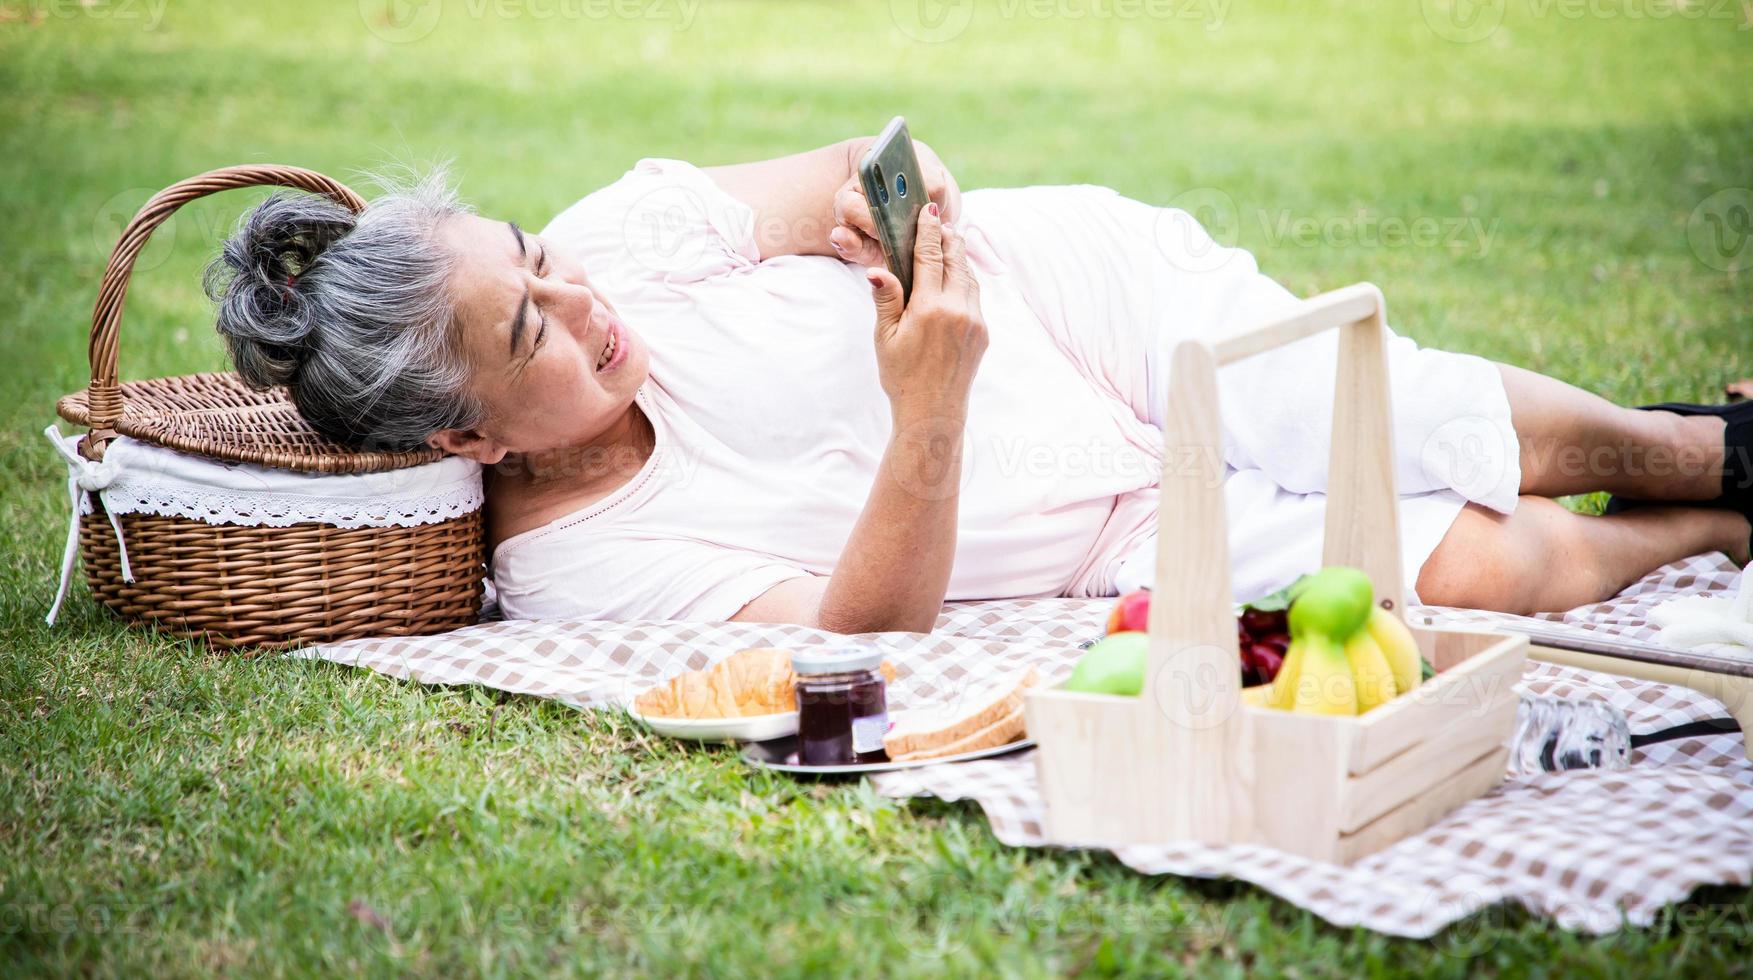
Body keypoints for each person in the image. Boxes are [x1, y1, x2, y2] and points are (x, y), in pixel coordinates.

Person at [204, 137, 1753, 630]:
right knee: (1468, 575)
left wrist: (877, 216)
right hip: (1095, 539)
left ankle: (1707, 447)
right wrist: (924, 407)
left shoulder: (628, 239)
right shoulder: (569, 566)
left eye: (538, 257)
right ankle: (1718, 539)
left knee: (1385, 415)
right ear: (468, 433)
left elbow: (892, 158)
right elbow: (854, 640)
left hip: (1084, 309)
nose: (580, 297)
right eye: (531, 326)